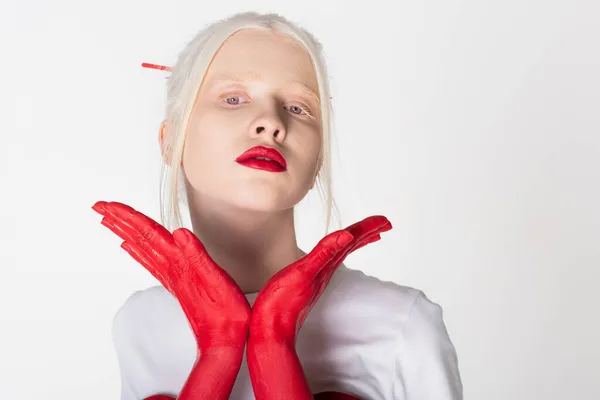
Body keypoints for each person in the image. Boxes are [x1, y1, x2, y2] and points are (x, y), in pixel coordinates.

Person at [92, 11, 463, 400]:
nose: (270, 122)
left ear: (318, 157)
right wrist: (219, 349)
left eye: (299, 108)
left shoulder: (401, 324)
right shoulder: (139, 324)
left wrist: (273, 345)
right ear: (171, 141)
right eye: (233, 98)